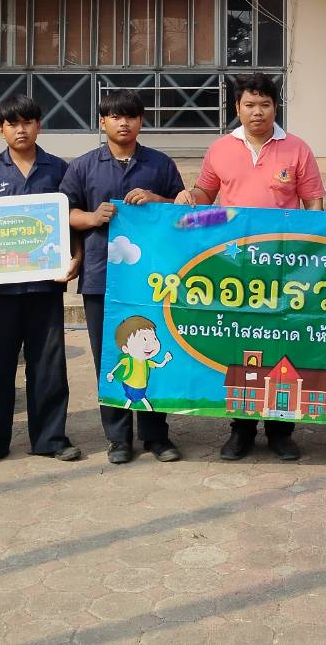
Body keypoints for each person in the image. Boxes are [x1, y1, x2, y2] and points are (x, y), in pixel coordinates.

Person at [175, 73, 325, 461]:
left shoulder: (297, 149)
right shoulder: (221, 149)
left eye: (265, 105)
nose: (257, 112)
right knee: (241, 345)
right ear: (237, 108)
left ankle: (281, 432)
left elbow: (314, 207)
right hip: (237, 268)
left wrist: (308, 261)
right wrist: (188, 197)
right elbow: (207, 199)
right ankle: (240, 430)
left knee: (286, 345)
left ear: (275, 107)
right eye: (249, 105)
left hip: (285, 269)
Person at [0, 94, 81, 469]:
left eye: (27, 122)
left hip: (45, 286)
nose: (20, 130)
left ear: (38, 125)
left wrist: (76, 260)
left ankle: (51, 438)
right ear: (0, 129)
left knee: (48, 365)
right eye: (12, 124)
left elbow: (73, 223)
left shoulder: (58, 169)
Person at [63, 89, 185, 465]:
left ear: (141, 121)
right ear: (103, 121)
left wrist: (157, 199)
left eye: (130, 116)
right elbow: (64, 213)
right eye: (115, 116)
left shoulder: (160, 165)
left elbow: (183, 207)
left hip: (151, 278)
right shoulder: (83, 166)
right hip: (102, 276)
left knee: (149, 351)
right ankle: (118, 439)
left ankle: (156, 436)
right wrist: (91, 218)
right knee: (109, 358)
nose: (123, 122)